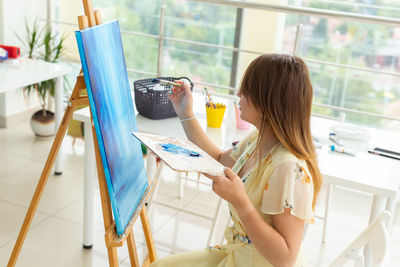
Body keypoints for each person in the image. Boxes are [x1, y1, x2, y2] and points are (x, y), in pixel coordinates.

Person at [151, 54, 322, 267]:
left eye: (248, 89)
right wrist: (185, 113)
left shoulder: (288, 167)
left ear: (269, 100)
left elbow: (285, 258)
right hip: (240, 255)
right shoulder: (258, 138)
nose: (239, 94)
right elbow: (219, 162)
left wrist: (241, 203)